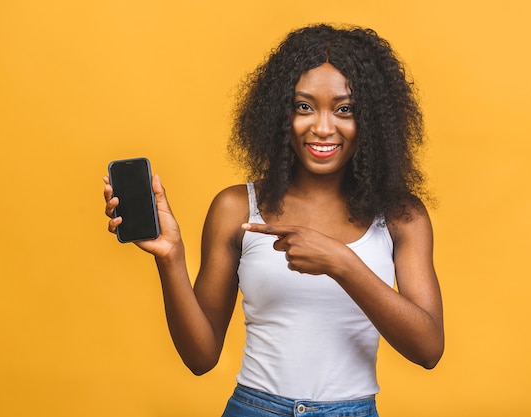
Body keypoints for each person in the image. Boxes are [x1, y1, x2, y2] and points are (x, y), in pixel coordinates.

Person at [103, 23, 444, 417]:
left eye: (344, 109)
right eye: (304, 106)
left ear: (373, 120)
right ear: (280, 114)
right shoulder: (237, 207)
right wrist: (170, 258)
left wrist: (342, 264)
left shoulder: (402, 217)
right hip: (254, 408)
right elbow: (200, 357)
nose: (321, 127)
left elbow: (429, 349)